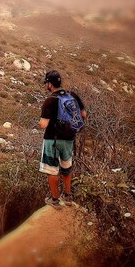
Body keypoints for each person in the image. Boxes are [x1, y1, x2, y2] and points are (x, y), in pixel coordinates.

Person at [39, 70, 87, 206]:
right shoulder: (73, 95)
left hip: (52, 140)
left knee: (52, 169)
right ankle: (68, 196)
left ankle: (54, 200)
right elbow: (83, 115)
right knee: (67, 168)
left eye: (46, 83)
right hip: (69, 139)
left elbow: (43, 125)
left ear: (50, 84)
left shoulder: (50, 100)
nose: (46, 86)